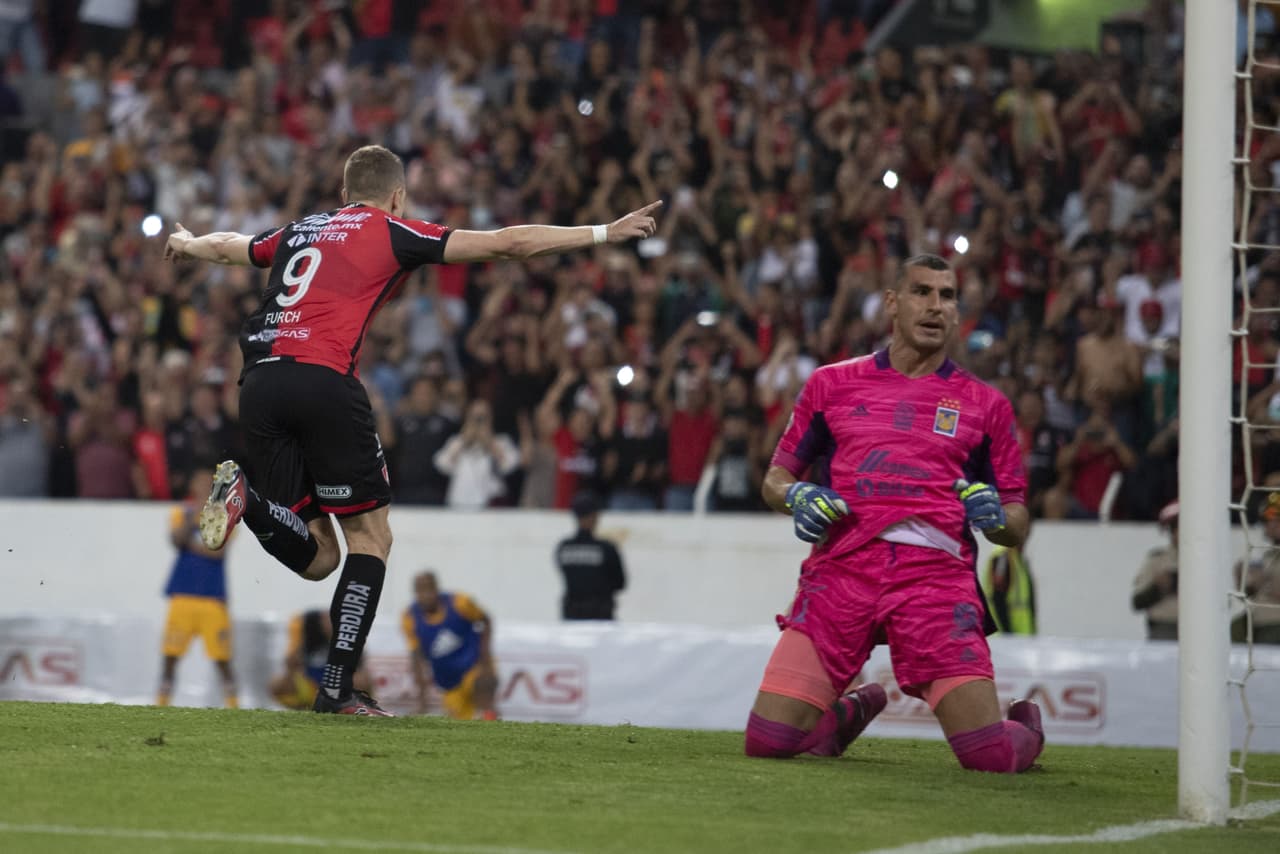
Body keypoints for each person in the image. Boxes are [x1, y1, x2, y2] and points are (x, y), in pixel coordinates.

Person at [164, 144, 660, 715]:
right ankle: (336, 690)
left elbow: (230, 247)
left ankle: (247, 499)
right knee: (371, 541)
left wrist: (187, 242)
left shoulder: (300, 229)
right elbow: (509, 243)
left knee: (321, 558)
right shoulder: (391, 229)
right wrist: (603, 232)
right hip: (322, 381)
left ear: (344, 193)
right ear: (396, 196)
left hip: (258, 385)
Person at [745, 253, 1044, 774]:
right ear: (892, 303)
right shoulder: (831, 384)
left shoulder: (986, 406)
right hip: (842, 570)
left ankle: (1026, 727)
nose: (935, 306)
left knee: (989, 758)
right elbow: (775, 479)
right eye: (921, 292)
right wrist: (797, 496)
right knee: (768, 742)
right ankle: (846, 715)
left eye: (947, 296)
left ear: (957, 311)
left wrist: (997, 517)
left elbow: (1016, 522)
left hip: (935, 580)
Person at [156, 468, 237, 709]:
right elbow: (175, 540)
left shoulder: (226, 515)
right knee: (170, 656)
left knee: (222, 659)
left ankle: (234, 705)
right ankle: (161, 704)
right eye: (199, 482)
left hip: (213, 598)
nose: (203, 487)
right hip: (182, 595)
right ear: (192, 486)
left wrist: (191, 543)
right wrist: (194, 517)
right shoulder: (181, 513)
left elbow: (218, 551)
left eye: (208, 483)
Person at [401, 571, 498, 720]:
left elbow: (485, 620)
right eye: (421, 591)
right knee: (458, 721)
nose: (426, 595)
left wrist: (486, 661)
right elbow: (416, 657)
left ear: (436, 589)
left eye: (429, 589)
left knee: (484, 684)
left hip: (474, 667)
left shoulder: (459, 603)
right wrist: (422, 701)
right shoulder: (410, 618)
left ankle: (490, 714)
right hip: (449, 682)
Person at [270, 610, 372, 710]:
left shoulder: (348, 640)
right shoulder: (307, 637)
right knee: (277, 684)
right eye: (326, 620)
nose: (331, 623)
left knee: (359, 679)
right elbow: (291, 664)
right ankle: (305, 708)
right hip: (310, 683)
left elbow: (359, 667)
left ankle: (353, 707)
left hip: (339, 683)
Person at [554, 492, 627, 620]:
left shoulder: (563, 547)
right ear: (594, 516)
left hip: (572, 615)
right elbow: (620, 583)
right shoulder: (606, 548)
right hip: (601, 615)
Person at [1131, 500, 1179, 640]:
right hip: (1164, 627)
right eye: (1177, 528)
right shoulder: (1157, 560)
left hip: (1200, 628)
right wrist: (1158, 587)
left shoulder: (1207, 563)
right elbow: (1137, 602)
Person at [1236, 494, 1280, 645]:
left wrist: (1264, 580)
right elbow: (1249, 595)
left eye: (1276, 520)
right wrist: (1243, 579)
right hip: (1260, 624)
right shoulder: (1268, 555)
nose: (1271, 525)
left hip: (1274, 626)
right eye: (1268, 521)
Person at [983, 544, 1037, 635]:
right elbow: (998, 598)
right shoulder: (1003, 556)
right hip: (1006, 638)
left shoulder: (1017, 556)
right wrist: (1008, 635)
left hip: (1021, 637)